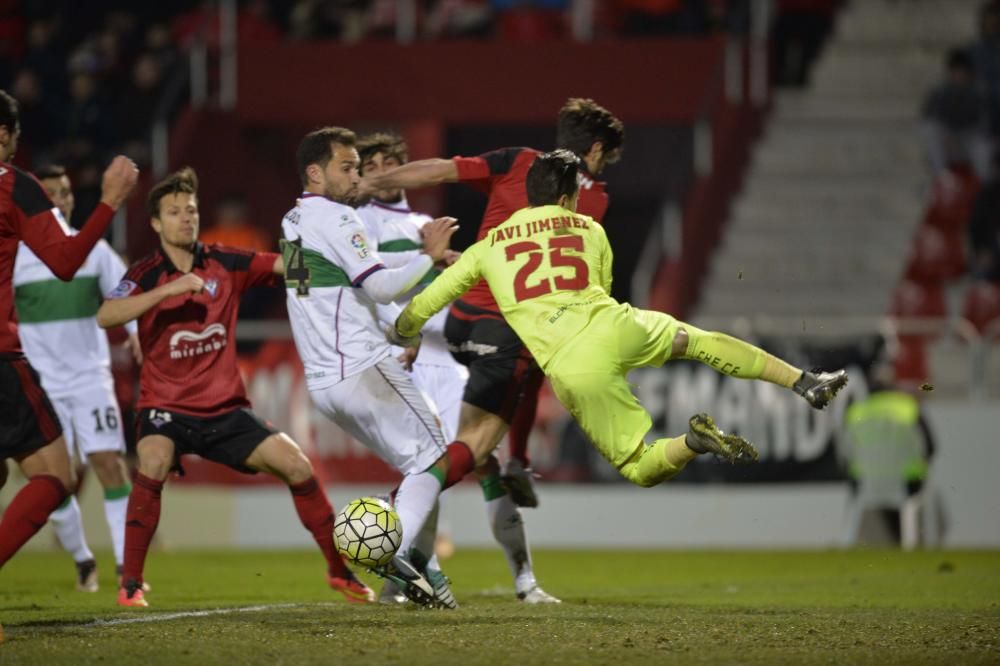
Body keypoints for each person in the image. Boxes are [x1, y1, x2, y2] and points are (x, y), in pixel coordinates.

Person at [390, 150, 849, 488]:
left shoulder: (487, 247)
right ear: (568, 196)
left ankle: (692, 442)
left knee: (640, 467)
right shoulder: (589, 228)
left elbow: (428, 301)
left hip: (573, 362)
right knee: (700, 341)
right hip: (616, 324)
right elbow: (603, 284)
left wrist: (403, 331)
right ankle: (802, 380)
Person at [96, 166, 375, 608]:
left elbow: (289, 266)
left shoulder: (225, 261)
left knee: (298, 466)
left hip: (224, 409)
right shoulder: (147, 274)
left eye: (191, 209)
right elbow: (107, 315)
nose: (185, 218)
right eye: (174, 212)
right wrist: (161, 296)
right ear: (156, 223)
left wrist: (334, 268)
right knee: (151, 460)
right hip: (165, 408)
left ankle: (339, 572)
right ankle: (131, 583)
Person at [360, 97, 625, 509]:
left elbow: (441, 170)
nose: (606, 164)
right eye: (607, 156)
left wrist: (374, 183)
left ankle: (515, 463)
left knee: (520, 383)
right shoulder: (594, 201)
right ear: (594, 151)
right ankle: (388, 506)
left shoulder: (517, 161)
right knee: (476, 447)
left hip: (460, 321)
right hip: (505, 330)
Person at [355, 132, 558, 604]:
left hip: (441, 354)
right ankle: (414, 572)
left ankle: (522, 580)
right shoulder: (355, 224)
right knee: (432, 464)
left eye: (391, 161)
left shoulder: (426, 223)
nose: (382, 171)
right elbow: (362, 284)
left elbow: (443, 278)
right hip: (393, 354)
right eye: (373, 163)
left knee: (475, 458)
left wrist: (452, 262)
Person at [281, 127, 479, 608]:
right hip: (362, 367)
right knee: (436, 457)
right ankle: (390, 550)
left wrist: (397, 329)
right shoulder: (340, 216)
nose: (356, 177)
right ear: (316, 172)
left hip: (325, 381)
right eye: (346, 167)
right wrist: (429, 259)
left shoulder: (291, 220)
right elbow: (380, 287)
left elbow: (335, 297)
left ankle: (418, 577)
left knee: (419, 468)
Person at [0, 89, 138, 573]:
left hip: (81, 373)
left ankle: (109, 565)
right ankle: (85, 560)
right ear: (3, 135)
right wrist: (109, 202)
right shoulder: (13, 186)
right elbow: (63, 260)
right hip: (5, 361)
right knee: (54, 476)